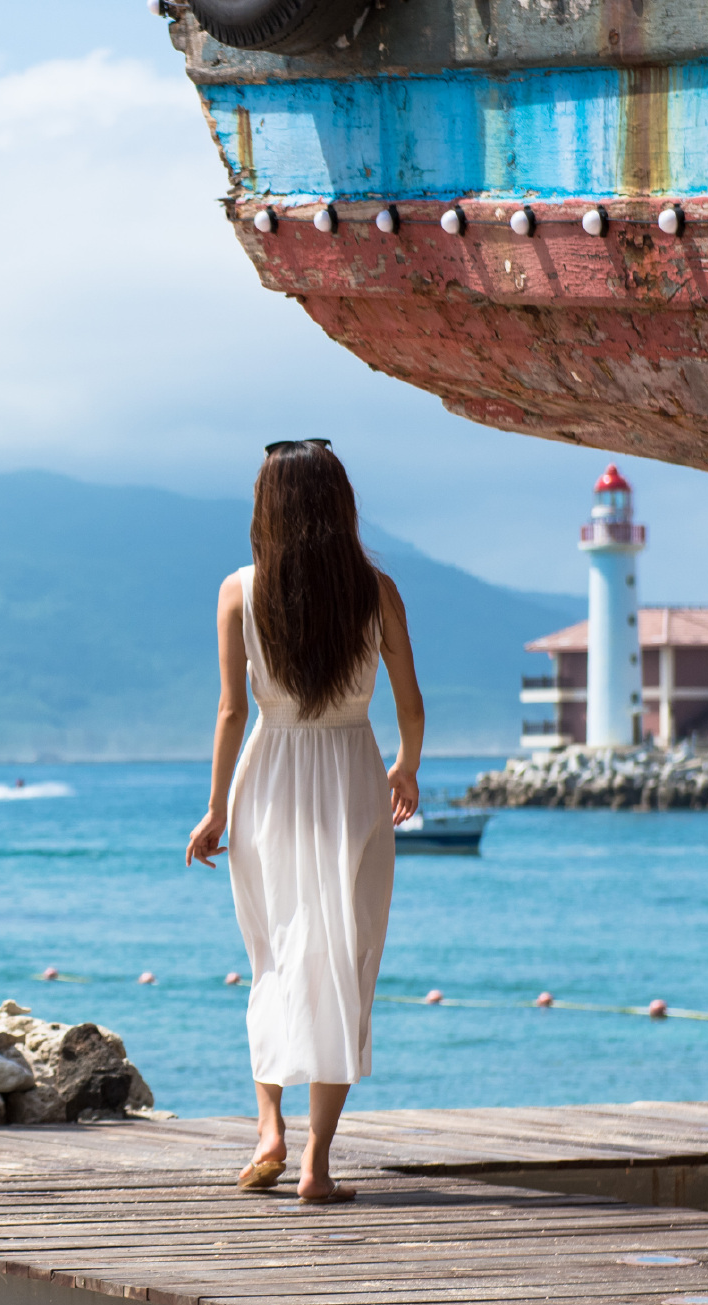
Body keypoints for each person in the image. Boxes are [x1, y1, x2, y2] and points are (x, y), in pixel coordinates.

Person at [185, 440, 424, 1204]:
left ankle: (269, 1128)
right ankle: (317, 1163)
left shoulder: (238, 591)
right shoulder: (376, 590)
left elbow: (230, 710)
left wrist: (217, 806)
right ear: (339, 503)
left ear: (269, 507)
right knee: (344, 963)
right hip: (353, 774)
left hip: (271, 775)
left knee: (276, 955)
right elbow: (410, 706)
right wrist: (406, 766)